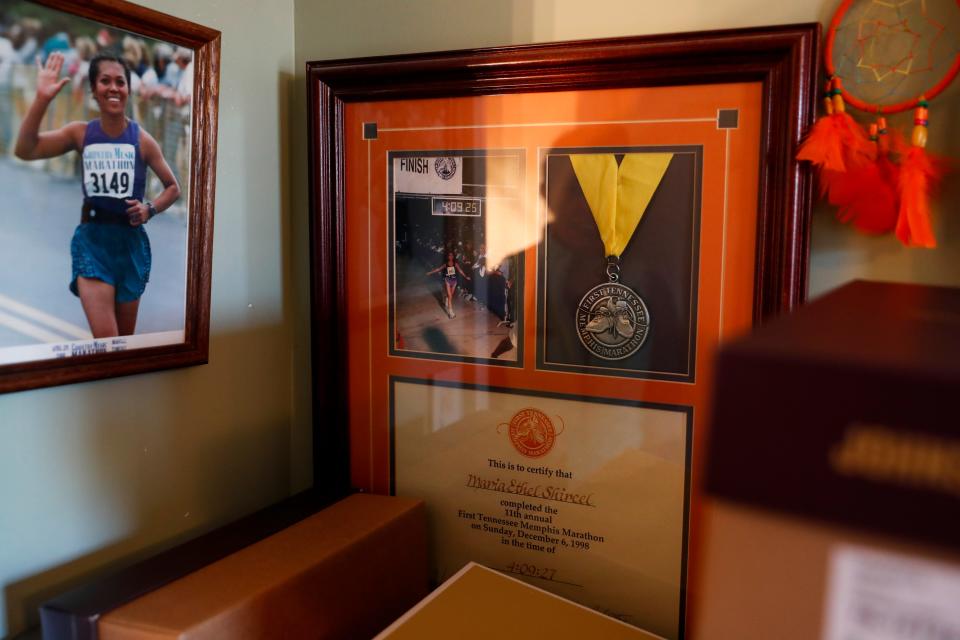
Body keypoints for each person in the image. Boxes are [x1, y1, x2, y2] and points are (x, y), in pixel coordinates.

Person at [15, 52, 180, 339]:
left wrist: (149, 209)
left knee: (122, 349)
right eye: (105, 81)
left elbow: (173, 187)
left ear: (128, 89)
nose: (113, 87)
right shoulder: (80, 134)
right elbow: (26, 150)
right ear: (94, 89)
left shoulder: (142, 140)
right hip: (93, 243)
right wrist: (42, 98)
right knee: (108, 344)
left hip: (130, 245)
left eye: (120, 82)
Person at [426, 251, 470, 318]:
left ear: (453, 256)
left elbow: (460, 270)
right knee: (450, 296)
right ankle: (451, 313)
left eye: (452, 255)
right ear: (448, 257)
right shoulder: (445, 264)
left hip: (454, 281)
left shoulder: (455, 264)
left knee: (450, 295)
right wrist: (430, 273)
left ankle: (446, 299)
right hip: (448, 280)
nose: (451, 256)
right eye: (449, 255)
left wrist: (466, 276)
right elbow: (438, 269)